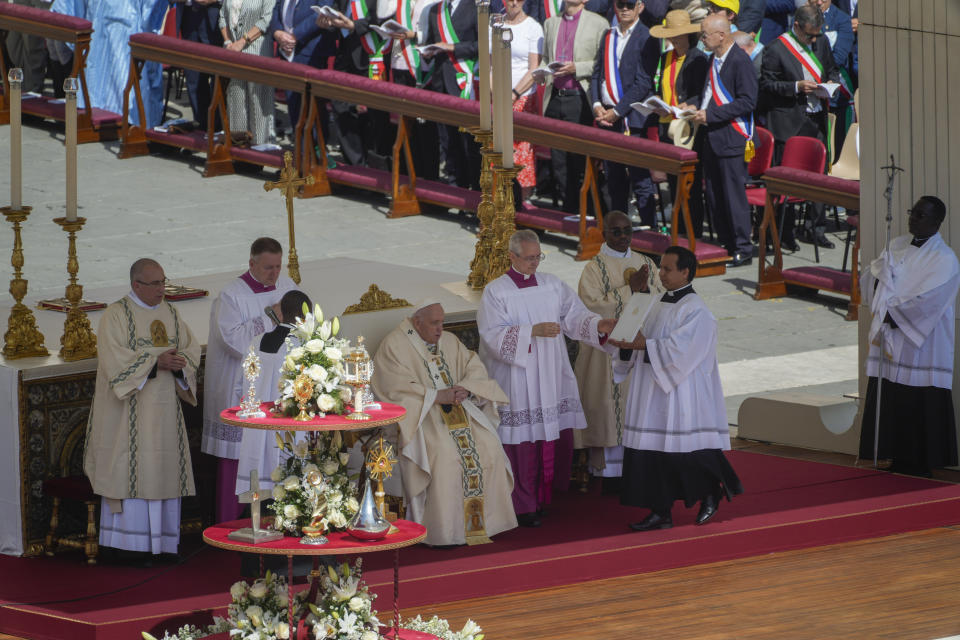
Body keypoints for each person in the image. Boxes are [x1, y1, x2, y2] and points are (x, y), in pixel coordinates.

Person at [477, 230, 616, 526]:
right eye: (529, 258)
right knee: (522, 443)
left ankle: (541, 498)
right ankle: (522, 504)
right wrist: (532, 331)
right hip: (518, 377)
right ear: (512, 257)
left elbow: (574, 315)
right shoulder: (496, 291)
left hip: (551, 371)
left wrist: (597, 324)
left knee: (546, 438)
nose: (535, 263)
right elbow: (491, 335)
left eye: (538, 256)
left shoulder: (552, 285)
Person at [610, 246, 742, 531]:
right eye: (661, 268)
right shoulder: (655, 302)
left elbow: (683, 352)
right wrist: (625, 343)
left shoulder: (697, 311)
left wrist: (643, 344)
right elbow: (638, 335)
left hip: (680, 393)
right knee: (652, 454)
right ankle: (660, 511)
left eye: (668, 269)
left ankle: (710, 492)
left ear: (686, 272)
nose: (662, 274)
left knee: (686, 452)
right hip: (650, 391)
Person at [371, 301, 518, 546]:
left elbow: (474, 368)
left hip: (460, 410)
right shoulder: (394, 345)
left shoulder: (449, 341)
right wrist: (436, 396)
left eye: (442, 322)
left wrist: (466, 389)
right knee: (445, 454)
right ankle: (446, 531)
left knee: (489, 447)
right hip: (422, 416)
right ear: (416, 322)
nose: (441, 329)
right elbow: (392, 388)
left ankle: (487, 524)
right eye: (434, 323)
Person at [84, 259, 201, 558]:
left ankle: (162, 544)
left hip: (165, 413)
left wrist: (180, 363)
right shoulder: (115, 315)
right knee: (131, 469)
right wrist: (154, 362)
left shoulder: (171, 312)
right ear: (137, 285)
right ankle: (129, 547)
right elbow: (113, 360)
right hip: (128, 414)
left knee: (162, 469)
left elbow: (190, 347)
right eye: (156, 283)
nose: (162, 288)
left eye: (163, 281)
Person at [858, 197, 960, 478]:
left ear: (937, 222)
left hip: (922, 343)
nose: (913, 219)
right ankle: (896, 456)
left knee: (918, 400)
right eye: (913, 213)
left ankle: (922, 461)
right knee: (893, 396)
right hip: (893, 336)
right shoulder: (897, 244)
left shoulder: (945, 259)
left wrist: (894, 315)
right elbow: (872, 276)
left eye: (921, 215)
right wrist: (878, 281)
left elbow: (930, 299)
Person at [202, 238, 296, 522]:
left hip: (277, 387)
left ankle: (279, 518)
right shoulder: (231, 295)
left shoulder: (287, 287)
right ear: (252, 264)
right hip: (242, 388)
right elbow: (236, 342)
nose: (274, 274)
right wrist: (273, 316)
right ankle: (230, 524)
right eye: (268, 267)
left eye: (278, 266)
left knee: (277, 453)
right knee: (238, 458)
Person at [573, 211, 662, 489]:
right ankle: (608, 475)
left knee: (636, 406)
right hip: (606, 354)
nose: (624, 237)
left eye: (628, 231)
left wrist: (642, 292)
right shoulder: (594, 268)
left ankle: (638, 470)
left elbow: (659, 297)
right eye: (617, 232)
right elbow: (591, 308)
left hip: (638, 349)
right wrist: (629, 290)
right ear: (605, 234)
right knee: (608, 409)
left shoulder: (646, 262)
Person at [759, 5, 838, 251]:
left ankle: (816, 228)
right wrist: (795, 86)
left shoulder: (821, 41)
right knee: (790, 178)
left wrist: (832, 83)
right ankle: (786, 232)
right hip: (789, 122)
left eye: (816, 35)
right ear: (796, 26)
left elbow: (832, 68)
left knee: (819, 175)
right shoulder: (776, 48)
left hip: (816, 118)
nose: (813, 40)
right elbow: (767, 85)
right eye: (809, 35)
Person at [689, 12, 757, 267]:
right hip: (711, 136)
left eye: (704, 34)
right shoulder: (712, 60)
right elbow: (707, 94)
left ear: (721, 35)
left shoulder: (740, 61)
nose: (702, 39)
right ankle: (726, 243)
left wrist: (711, 114)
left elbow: (748, 101)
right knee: (715, 195)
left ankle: (742, 248)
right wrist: (691, 107)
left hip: (732, 137)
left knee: (732, 196)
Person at [235, 289, 312, 495]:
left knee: (261, 489)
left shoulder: (255, 341)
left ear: (281, 314)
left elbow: (240, 385)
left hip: (256, 425)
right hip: (289, 426)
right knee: (290, 487)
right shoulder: (302, 345)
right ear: (306, 317)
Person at [589, 0, 660, 224]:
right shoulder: (608, 35)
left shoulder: (648, 37)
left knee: (640, 178)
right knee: (614, 178)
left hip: (631, 119)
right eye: (621, 4)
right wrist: (596, 104)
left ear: (640, 6)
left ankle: (649, 231)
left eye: (630, 4)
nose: (625, 9)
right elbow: (596, 73)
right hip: (606, 116)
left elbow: (643, 83)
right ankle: (618, 229)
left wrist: (618, 111)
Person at [538, 0, 608, 212]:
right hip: (555, 96)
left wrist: (576, 67)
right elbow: (545, 59)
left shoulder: (598, 23)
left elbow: (601, 63)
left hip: (578, 97)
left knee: (577, 160)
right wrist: (541, 71)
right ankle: (566, 212)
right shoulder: (551, 23)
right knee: (558, 160)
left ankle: (582, 210)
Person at [645, 9, 707, 237]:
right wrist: (657, 101)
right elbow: (659, 86)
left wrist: (687, 105)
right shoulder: (665, 58)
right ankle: (678, 229)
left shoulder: (697, 59)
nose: (671, 39)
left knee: (690, 182)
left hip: (688, 129)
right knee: (672, 181)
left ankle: (693, 231)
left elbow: (701, 93)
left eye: (675, 35)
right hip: (665, 125)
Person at [317, 0, 393, 168]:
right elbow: (339, 9)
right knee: (340, 108)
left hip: (372, 55)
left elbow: (385, 18)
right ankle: (356, 165)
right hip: (345, 55)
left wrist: (353, 25)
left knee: (375, 116)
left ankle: (377, 168)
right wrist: (328, 21)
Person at [420, 0, 480, 189]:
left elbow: (481, 46)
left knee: (468, 141)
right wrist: (427, 52)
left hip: (464, 81)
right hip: (440, 82)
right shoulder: (434, 11)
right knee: (448, 140)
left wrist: (453, 47)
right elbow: (432, 41)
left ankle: (474, 189)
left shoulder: (475, 8)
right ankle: (455, 187)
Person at [496, 0, 544, 201]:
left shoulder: (533, 27)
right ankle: (499, 198)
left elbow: (535, 68)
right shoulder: (496, 24)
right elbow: (491, 63)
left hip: (523, 95)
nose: (513, 2)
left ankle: (523, 200)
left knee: (520, 149)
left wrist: (514, 94)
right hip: (498, 94)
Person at [271, 0, 335, 134]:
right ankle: (300, 146)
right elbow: (276, 6)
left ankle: (316, 150)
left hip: (310, 50)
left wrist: (294, 36)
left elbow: (323, 10)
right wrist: (277, 32)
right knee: (294, 103)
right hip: (286, 49)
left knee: (311, 105)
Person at [219, 0, 277, 146]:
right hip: (233, 52)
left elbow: (267, 19)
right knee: (235, 98)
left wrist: (242, 41)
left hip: (257, 51)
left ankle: (261, 148)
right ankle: (238, 146)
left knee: (258, 102)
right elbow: (222, 16)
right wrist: (227, 41)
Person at [175, 0, 224, 131]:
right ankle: (202, 126)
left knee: (217, 76)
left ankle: (218, 127)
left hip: (214, 16)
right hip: (188, 18)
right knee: (193, 78)